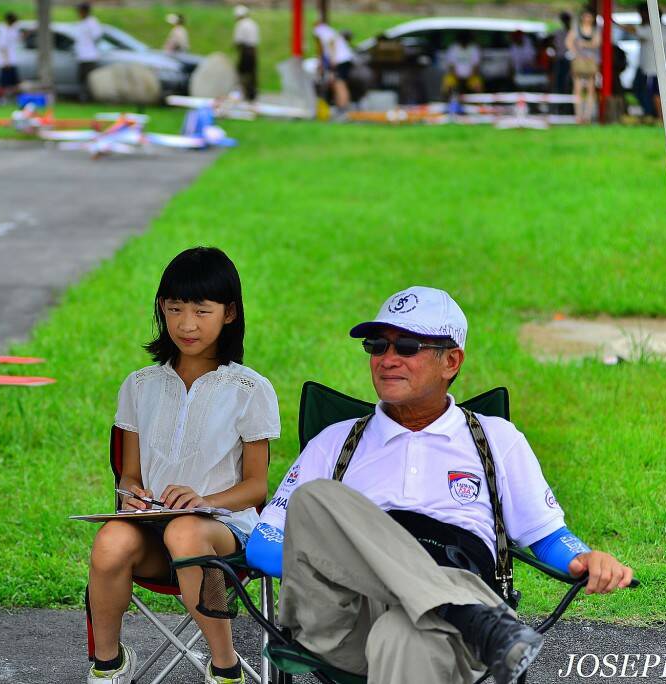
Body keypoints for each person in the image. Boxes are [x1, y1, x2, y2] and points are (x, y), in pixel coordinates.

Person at [245, 287, 633, 684]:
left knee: (406, 634)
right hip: (354, 619)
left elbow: (548, 535)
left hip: (452, 625)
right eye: (377, 345)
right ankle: (461, 611)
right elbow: (263, 542)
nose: (387, 359)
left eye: (408, 346)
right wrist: (363, 571)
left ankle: (448, 610)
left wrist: (585, 557)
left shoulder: (496, 438)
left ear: (452, 361)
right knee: (315, 499)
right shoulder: (335, 441)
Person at [86, 247, 280, 684]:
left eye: (201, 310)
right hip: (155, 529)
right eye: (174, 309)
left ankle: (226, 669)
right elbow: (129, 475)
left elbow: (256, 488)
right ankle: (108, 665)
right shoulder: (140, 385)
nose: (186, 324)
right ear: (161, 309)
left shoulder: (250, 389)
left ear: (229, 313)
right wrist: (132, 495)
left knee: (186, 529)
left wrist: (204, 500)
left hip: (226, 531)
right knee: (112, 539)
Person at [616, 2, 666, 120]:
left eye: (642, 14)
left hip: (652, 70)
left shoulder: (652, 29)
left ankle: (658, 116)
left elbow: (632, 29)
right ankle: (654, 114)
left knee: (654, 93)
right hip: (650, 67)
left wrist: (614, 22)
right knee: (649, 91)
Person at [313, 19, 354, 115]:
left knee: (340, 83)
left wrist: (332, 58)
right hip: (344, 59)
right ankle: (340, 106)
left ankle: (343, 108)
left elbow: (331, 42)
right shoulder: (328, 30)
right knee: (337, 83)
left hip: (341, 60)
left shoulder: (320, 30)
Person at [567, 9, 601, 124]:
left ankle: (587, 116)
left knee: (591, 90)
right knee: (578, 89)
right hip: (579, 63)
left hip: (590, 63)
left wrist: (584, 44)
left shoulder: (595, 31)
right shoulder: (576, 30)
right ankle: (578, 116)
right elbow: (568, 42)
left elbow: (596, 43)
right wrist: (576, 52)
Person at [441, 31, 483, 99]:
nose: (464, 40)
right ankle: (446, 103)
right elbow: (451, 66)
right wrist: (458, 77)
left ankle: (478, 104)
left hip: (471, 76)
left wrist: (468, 77)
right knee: (447, 85)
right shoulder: (453, 48)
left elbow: (476, 66)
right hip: (454, 75)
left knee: (477, 86)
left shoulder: (473, 48)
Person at [74, 3, 103, 102]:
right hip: (81, 56)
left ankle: (92, 99)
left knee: (91, 79)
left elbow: (97, 36)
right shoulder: (81, 23)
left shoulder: (92, 22)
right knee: (82, 79)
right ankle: (83, 99)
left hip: (90, 56)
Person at [233, 5, 260, 102]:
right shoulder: (253, 23)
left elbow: (238, 41)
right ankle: (252, 94)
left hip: (245, 51)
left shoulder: (241, 24)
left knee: (242, 73)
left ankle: (243, 93)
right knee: (252, 73)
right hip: (254, 51)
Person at [0, 11, 22, 95]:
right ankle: (3, 98)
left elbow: (18, 39)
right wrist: (6, 61)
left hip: (12, 60)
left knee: (14, 82)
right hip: (6, 62)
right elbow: (3, 47)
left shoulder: (13, 29)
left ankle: (12, 98)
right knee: (4, 83)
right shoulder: (3, 30)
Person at [549, 12, 573, 100]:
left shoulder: (572, 32)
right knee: (559, 82)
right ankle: (559, 103)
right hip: (560, 59)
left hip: (570, 60)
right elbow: (554, 46)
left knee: (568, 82)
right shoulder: (559, 32)